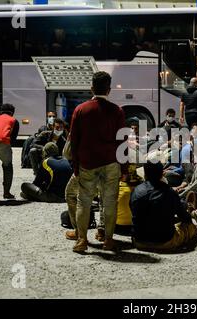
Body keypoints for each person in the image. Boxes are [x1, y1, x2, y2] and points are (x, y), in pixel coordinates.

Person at [68, 71, 125, 252]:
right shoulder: (117, 111)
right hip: (110, 163)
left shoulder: (81, 110)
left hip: (87, 163)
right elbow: (122, 142)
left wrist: (76, 166)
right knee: (109, 202)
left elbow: (74, 141)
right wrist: (123, 167)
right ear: (108, 90)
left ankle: (82, 240)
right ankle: (108, 240)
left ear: (91, 88)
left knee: (83, 201)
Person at [130, 161, 197, 252]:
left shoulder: (136, 190)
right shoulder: (169, 192)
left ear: (145, 174)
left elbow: (133, 211)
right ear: (162, 174)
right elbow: (185, 218)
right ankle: (192, 212)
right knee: (191, 225)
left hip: (138, 241)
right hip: (165, 242)